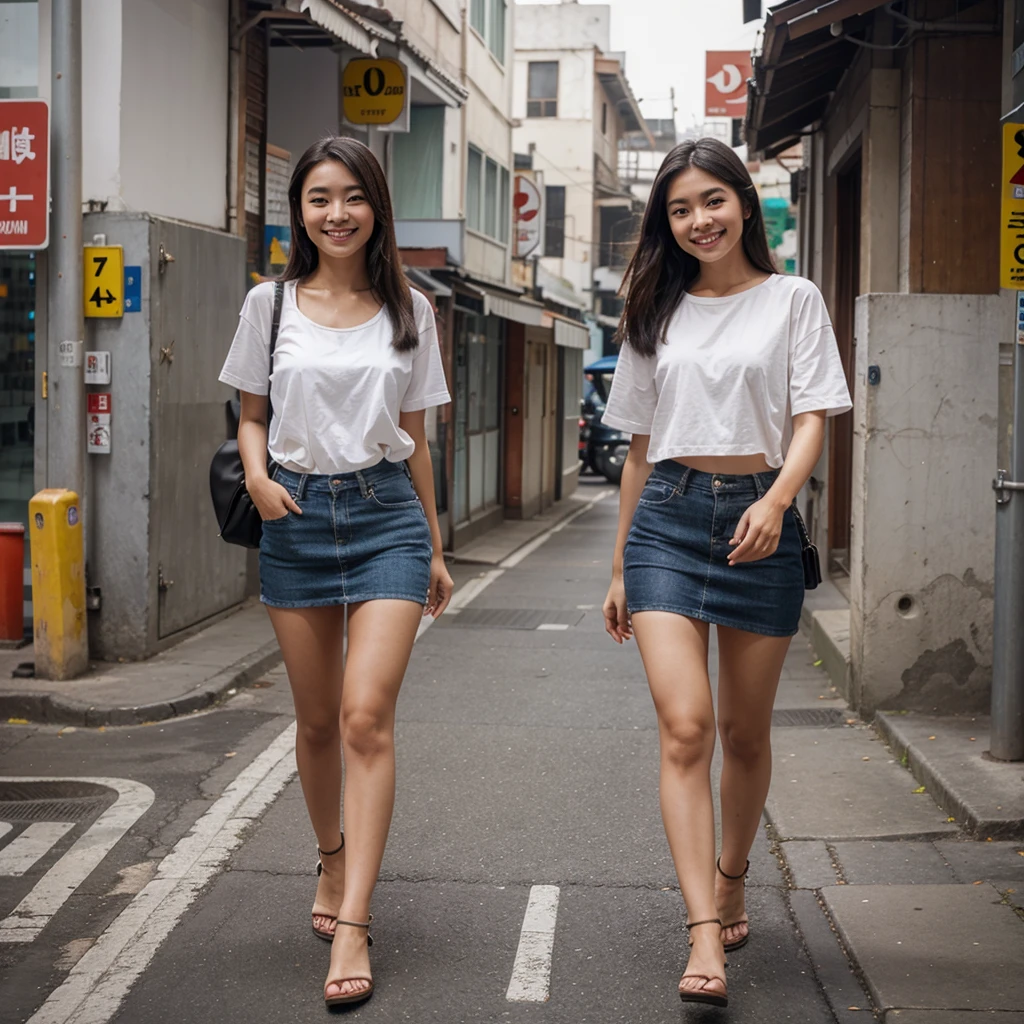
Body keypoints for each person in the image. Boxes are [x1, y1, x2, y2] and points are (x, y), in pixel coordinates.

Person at [600, 137, 851, 1008]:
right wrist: (623, 563)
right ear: (665, 225)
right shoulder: (654, 309)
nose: (698, 220)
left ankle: (734, 870)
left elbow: (815, 416)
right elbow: (636, 450)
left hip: (759, 522)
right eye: (679, 209)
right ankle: (703, 927)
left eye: (712, 201)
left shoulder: (793, 299)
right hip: (667, 521)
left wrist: (779, 500)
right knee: (687, 728)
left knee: (746, 734)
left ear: (743, 202)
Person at [218, 136, 453, 1008]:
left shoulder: (413, 312)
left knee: (364, 716)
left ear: (376, 207)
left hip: (388, 513)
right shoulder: (269, 306)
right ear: (301, 211)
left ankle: (353, 920)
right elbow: (250, 414)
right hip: (298, 517)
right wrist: (259, 476)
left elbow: (420, 439)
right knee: (315, 722)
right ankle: (331, 858)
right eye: (320, 198)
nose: (337, 213)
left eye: (353, 196)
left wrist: (432, 545)